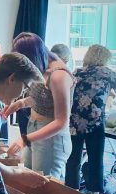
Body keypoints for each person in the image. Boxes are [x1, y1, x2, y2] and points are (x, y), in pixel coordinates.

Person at [5, 33, 74, 179]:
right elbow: (45, 97)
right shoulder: (42, 66)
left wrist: (25, 139)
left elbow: (61, 122)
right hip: (35, 127)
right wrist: (20, 103)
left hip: (51, 137)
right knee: (28, 177)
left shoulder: (58, 75)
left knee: (43, 186)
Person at [65, 45, 116, 194]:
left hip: (74, 120)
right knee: (96, 159)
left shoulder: (77, 72)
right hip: (95, 122)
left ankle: (70, 193)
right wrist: (112, 93)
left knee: (73, 158)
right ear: (105, 58)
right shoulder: (107, 73)